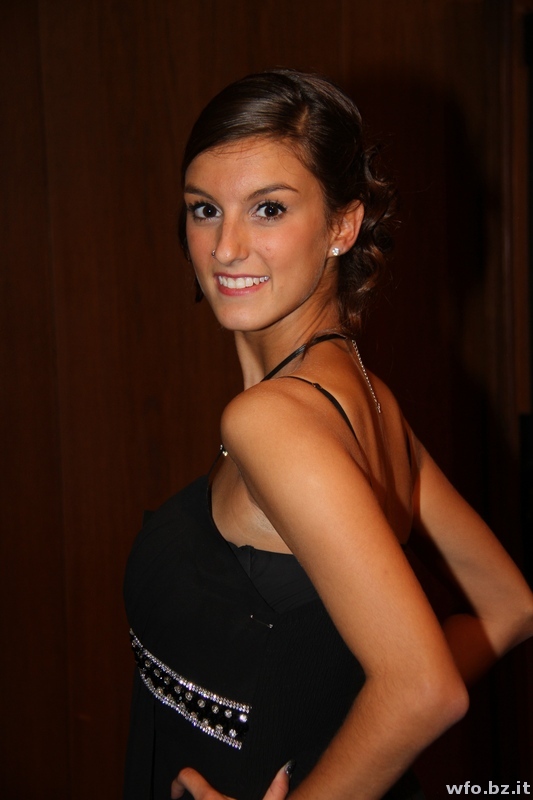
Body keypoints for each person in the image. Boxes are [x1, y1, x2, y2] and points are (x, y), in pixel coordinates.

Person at [123, 69, 533, 800]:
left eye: (269, 208)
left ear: (343, 226)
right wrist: (335, 725)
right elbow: (509, 606)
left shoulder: (271, 420)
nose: (226, 247)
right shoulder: (367, 398)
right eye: (205, 209)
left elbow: (425, 688)